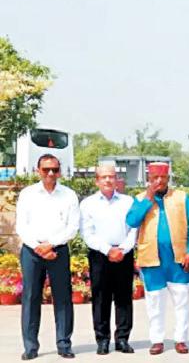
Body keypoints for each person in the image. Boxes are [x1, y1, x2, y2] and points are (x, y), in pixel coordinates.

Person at [126, 162, 189, 355]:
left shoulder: (181, 198)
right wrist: (148, 199)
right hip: (151, 260)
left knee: (182, 301)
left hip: (178, 260)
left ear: (168, 178)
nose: (159, 181)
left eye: (163, 177)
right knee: (154, 302)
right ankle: (157, 340)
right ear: (148, 179)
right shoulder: (140, 199)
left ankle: (180, 339)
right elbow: (132, 221)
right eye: (154, 178)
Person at [15, 154, 80, 360]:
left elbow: (73, 226)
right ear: (38, 171)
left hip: (58, 250)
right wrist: (39, 247)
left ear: (59, 171)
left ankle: (64, 344)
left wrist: (51, 245)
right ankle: (30, 346)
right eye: (46, 169)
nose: (51, 173)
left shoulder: (69, 195)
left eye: (55, 169)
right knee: (31, 297)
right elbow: (21, 225)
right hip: (31, 251)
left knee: (62, 298)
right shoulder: (27, 194)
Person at [80, 164, 137, 355]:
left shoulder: (128, 201)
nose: (107, 180)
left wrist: (122, 249)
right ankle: (102, 339)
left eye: (111, 176)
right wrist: (107, 250)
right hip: (100, 255)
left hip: (123, 253)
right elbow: (87, 233)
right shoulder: (88, 204)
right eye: (103, 177)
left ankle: (122, 339)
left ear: (116, 179)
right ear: (97, 181)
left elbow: (134, 229)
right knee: (100, 298)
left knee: (124, 298)